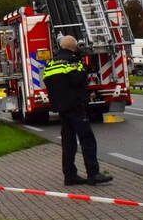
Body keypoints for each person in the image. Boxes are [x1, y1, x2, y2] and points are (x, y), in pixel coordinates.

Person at [43, 35, 113, 186]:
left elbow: (47, 81)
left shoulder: (51, 63)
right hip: (75, 106)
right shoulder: (73, 61)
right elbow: (78, 79)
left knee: (68, 142)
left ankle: (70, 175)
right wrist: (84, 66)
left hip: (61, 108)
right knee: (87, 139)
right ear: (73, 47)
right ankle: (93, 174)